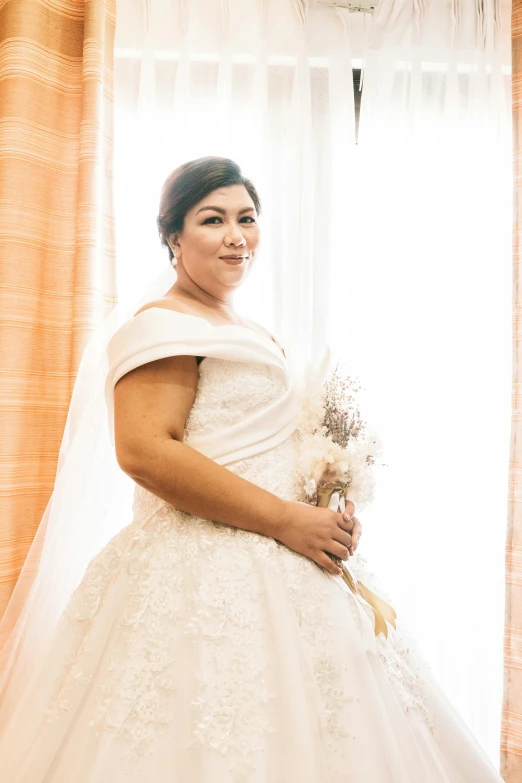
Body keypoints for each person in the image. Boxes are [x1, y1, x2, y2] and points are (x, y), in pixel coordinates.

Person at [0, 156, 504, 782]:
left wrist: (324, 505)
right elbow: (145, 451)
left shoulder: (249, 329)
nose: (237, 235)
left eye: (248, 218)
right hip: (198, 566)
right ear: (173, 238)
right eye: (213, 220)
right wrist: (288, 519)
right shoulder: (162, 324)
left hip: (288, 557)